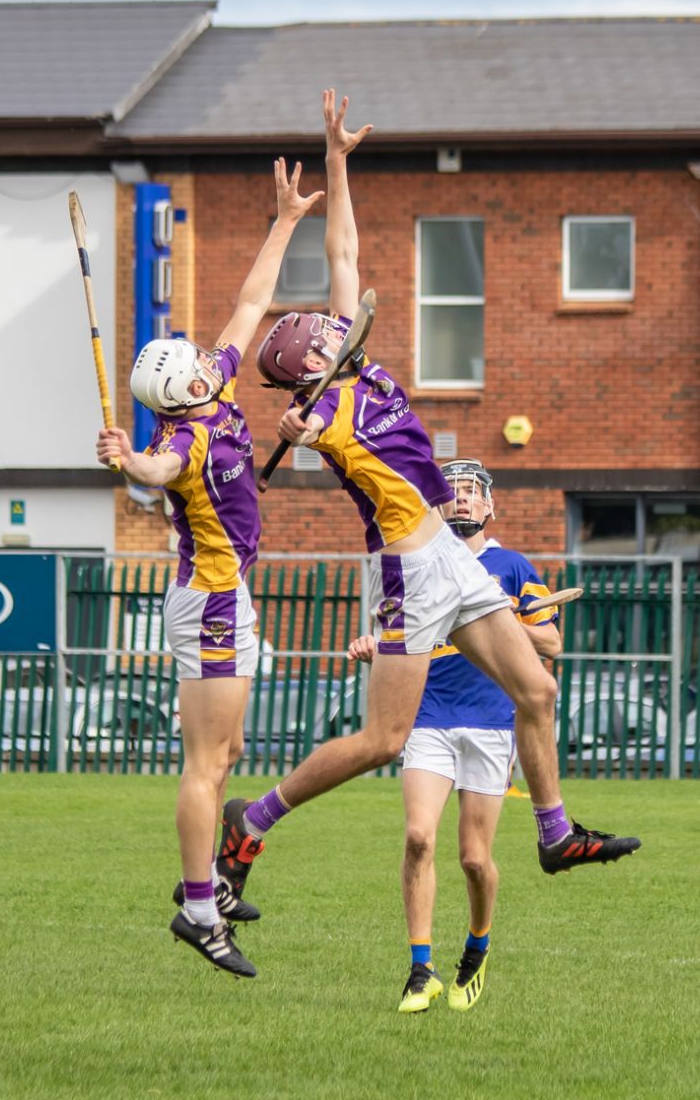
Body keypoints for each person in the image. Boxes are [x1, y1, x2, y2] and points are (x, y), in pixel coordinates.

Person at [217, 90, 640, 922]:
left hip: (451, 553)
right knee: (380, 740)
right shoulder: (327, 410)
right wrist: (303, 433)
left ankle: (553, 833)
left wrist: (336, 163)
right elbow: (313, 434)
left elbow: (344, 248)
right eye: (324, 334)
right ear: (313, 360)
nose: (337, 326)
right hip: (409, 571)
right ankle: (251, 822)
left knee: (538, 693)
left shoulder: (352, 365)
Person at [96, 157, 324, 978]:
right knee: (204, 764)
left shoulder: (219, 391)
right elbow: (157, 475)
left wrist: (287, 220)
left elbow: (251, 304)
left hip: (230, 598)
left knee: (222, 759)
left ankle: (209, 893)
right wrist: (129, 459)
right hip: (213, 604)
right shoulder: (181, 439)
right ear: (177, 388)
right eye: (192, 359)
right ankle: (199, 907)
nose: (208, 354)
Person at [349, 459, 563, 1013]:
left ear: (490, 507)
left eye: (473, 493)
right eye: (454, 493)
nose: (463, 500)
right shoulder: (418, 564)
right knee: (418, 837)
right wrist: (376, 646)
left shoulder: (512, 568)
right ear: (438, 506)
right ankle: (421, 969)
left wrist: (495, 620)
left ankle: (478, 944)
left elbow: (552, 645)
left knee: (474, 859)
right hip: (428, 716)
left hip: (491, 721)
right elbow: (391, 632)